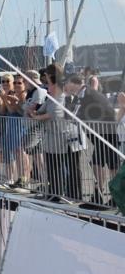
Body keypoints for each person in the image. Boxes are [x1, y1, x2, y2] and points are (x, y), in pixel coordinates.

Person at [28, 64, 83, 200]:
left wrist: (38, 116)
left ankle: (74, 196)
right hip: (56, 138)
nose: (46, 84)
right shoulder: (52, 96)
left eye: (46, 78)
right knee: (54, 166)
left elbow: (56, 114)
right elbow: (43, 110)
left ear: (50, 77)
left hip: (69, 137)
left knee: (72, 167)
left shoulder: (62, 94)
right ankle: (55, 193)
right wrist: (34, 112)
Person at [64, 73, 118, 203]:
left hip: (105, 133)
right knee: (98, 163)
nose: (65, 86)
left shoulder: (88, 95)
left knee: (110, 165)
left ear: (74, 83)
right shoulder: (82, 95)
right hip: (100, 133)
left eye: (67, 83)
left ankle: (113, 195)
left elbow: (76, 116)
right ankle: (99, 194)